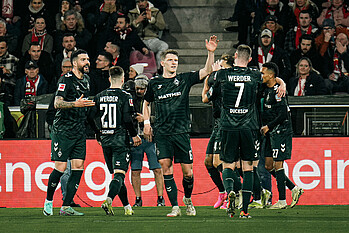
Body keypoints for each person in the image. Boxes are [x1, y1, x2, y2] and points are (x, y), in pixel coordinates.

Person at [142, 35, 218, 217]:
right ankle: (175, 206)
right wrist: (146, 123)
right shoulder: (154, 83)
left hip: (181, 132)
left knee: (188, 173)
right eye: (170, 60)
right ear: (162, 63)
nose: (174, 63)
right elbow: (145, 103)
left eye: (176, 60)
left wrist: (210, 53)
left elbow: (207, 70)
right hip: (162, 133)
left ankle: (188, 200)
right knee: (165, 167)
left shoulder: (184, 79)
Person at [43, 49, 95, 216]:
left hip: (79, 130)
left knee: (78, 166)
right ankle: (49, 201)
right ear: (74, 63)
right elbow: (58, 103)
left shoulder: (87, 80)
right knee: (61, 167)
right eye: (83, 60)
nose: (87, 62)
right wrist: (74, 104)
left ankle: (66, 206)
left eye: (87, 59)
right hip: (63, 129)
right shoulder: (65, 79)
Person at [213, 45, 262, 219]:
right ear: (249, 59)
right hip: (248, 126)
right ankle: (245, 210)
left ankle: (230, 192)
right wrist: (282, 83)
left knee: (228, 165)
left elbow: (212, 94)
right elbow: (268, 85)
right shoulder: (256, 75)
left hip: (228, 126)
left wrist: (215, 72)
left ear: (235, 56)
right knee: (248, 167)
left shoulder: (223, 74)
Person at [89, 66, 142, 216]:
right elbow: (127, 119)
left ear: (109, 79)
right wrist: (134, 135)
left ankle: (127, 207)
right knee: (119, 175)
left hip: (106, 140)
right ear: (123, 79)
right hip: (120, 140)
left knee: (118, 176)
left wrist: (98, 132)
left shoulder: (99, 96)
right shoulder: (125, 96)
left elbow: (90, 116)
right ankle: (108, 199)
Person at [260, 62, 304, 209]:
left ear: (271, 75)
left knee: (278, 164)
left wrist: (268, 126)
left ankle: (282, 200)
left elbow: (283, 114)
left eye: (263, 73)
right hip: (270, 132)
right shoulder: (265, 88)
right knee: (268, 165)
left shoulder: (278, 92)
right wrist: (281, 81)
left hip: (280, 131)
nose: (261, 75)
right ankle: (294, 188)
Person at [201, 54, 236, 210]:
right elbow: (204, 98)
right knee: (209, 162)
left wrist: (214, 76)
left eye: (221, 66)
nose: (218, 68)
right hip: (217, 124)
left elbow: (206, 97)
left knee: (220, 162)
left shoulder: (228, 80)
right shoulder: (216, 79)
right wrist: (210, 77)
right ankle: (223, 192)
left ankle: (234, 192)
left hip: (227, 123)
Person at [129, 74, 165, 207]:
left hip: (151, 138)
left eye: (142, 89)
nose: (139, 91)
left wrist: (146, 120)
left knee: (157, 169)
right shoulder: (131, 99)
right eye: (137, 89)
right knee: (135, 170)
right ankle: (138, 199)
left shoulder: (155, 100)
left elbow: (162, 117)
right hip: (136, 138)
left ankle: (160, 198)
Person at [128, 0, 168, 69]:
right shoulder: (131, 13)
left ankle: (159, 69)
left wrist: (151, 19)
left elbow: (162, 27)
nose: (140, 4)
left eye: (142, 1)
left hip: (152, 39)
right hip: (137, 40)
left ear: (147, 1)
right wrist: (136, 22)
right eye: (138, 2)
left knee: (164, 46)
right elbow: (127, 28)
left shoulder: (156, 12)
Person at [0, 36, 19, 105]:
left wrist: (8, 72)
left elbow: (17, 78)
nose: (0, 51)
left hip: (9, 88)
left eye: (2, 48)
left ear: (7, 47)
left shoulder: (14, 59)